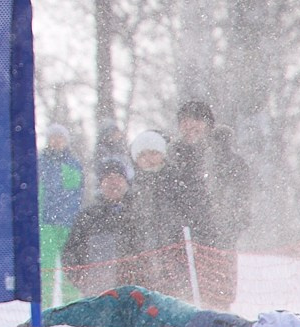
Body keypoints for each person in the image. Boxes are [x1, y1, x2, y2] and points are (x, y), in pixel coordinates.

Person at [170, 99, 248, 310]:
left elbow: (242, 203)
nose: (190, 125)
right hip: (181, 245)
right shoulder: (172, 158)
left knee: (217, 303)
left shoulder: (229, 160)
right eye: (185, 120)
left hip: (217, 243)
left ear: (208, 124)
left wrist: (227, 229)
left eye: (197, 120)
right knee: (181, 302)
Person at [129, 128, 206, 300]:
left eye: (153, 153)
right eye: (143, 155)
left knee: (180, 294)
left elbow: (191, 212)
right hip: (145, 251)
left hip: (176, 247)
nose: (148, 159)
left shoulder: (176, 180)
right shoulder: (134, 187)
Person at [60, 153, 136, 301]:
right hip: (97, 296)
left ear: (126, 183)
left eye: (118, 178)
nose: (114, 183)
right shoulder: (88, 216)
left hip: (135, 295)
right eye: (108, 179)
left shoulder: (138, 213)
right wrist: (81, 279)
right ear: (101, 184)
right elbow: (70, 253)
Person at [39, 123, 85, 304]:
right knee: (46, 268)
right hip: (46, 222)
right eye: (53, 137)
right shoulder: (41, 163)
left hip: (69, 223)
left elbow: (77, 193)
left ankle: (71, 306)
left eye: (60, 137)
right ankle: (44, 307)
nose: (57, 141)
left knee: (70, 268)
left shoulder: (73, 164)